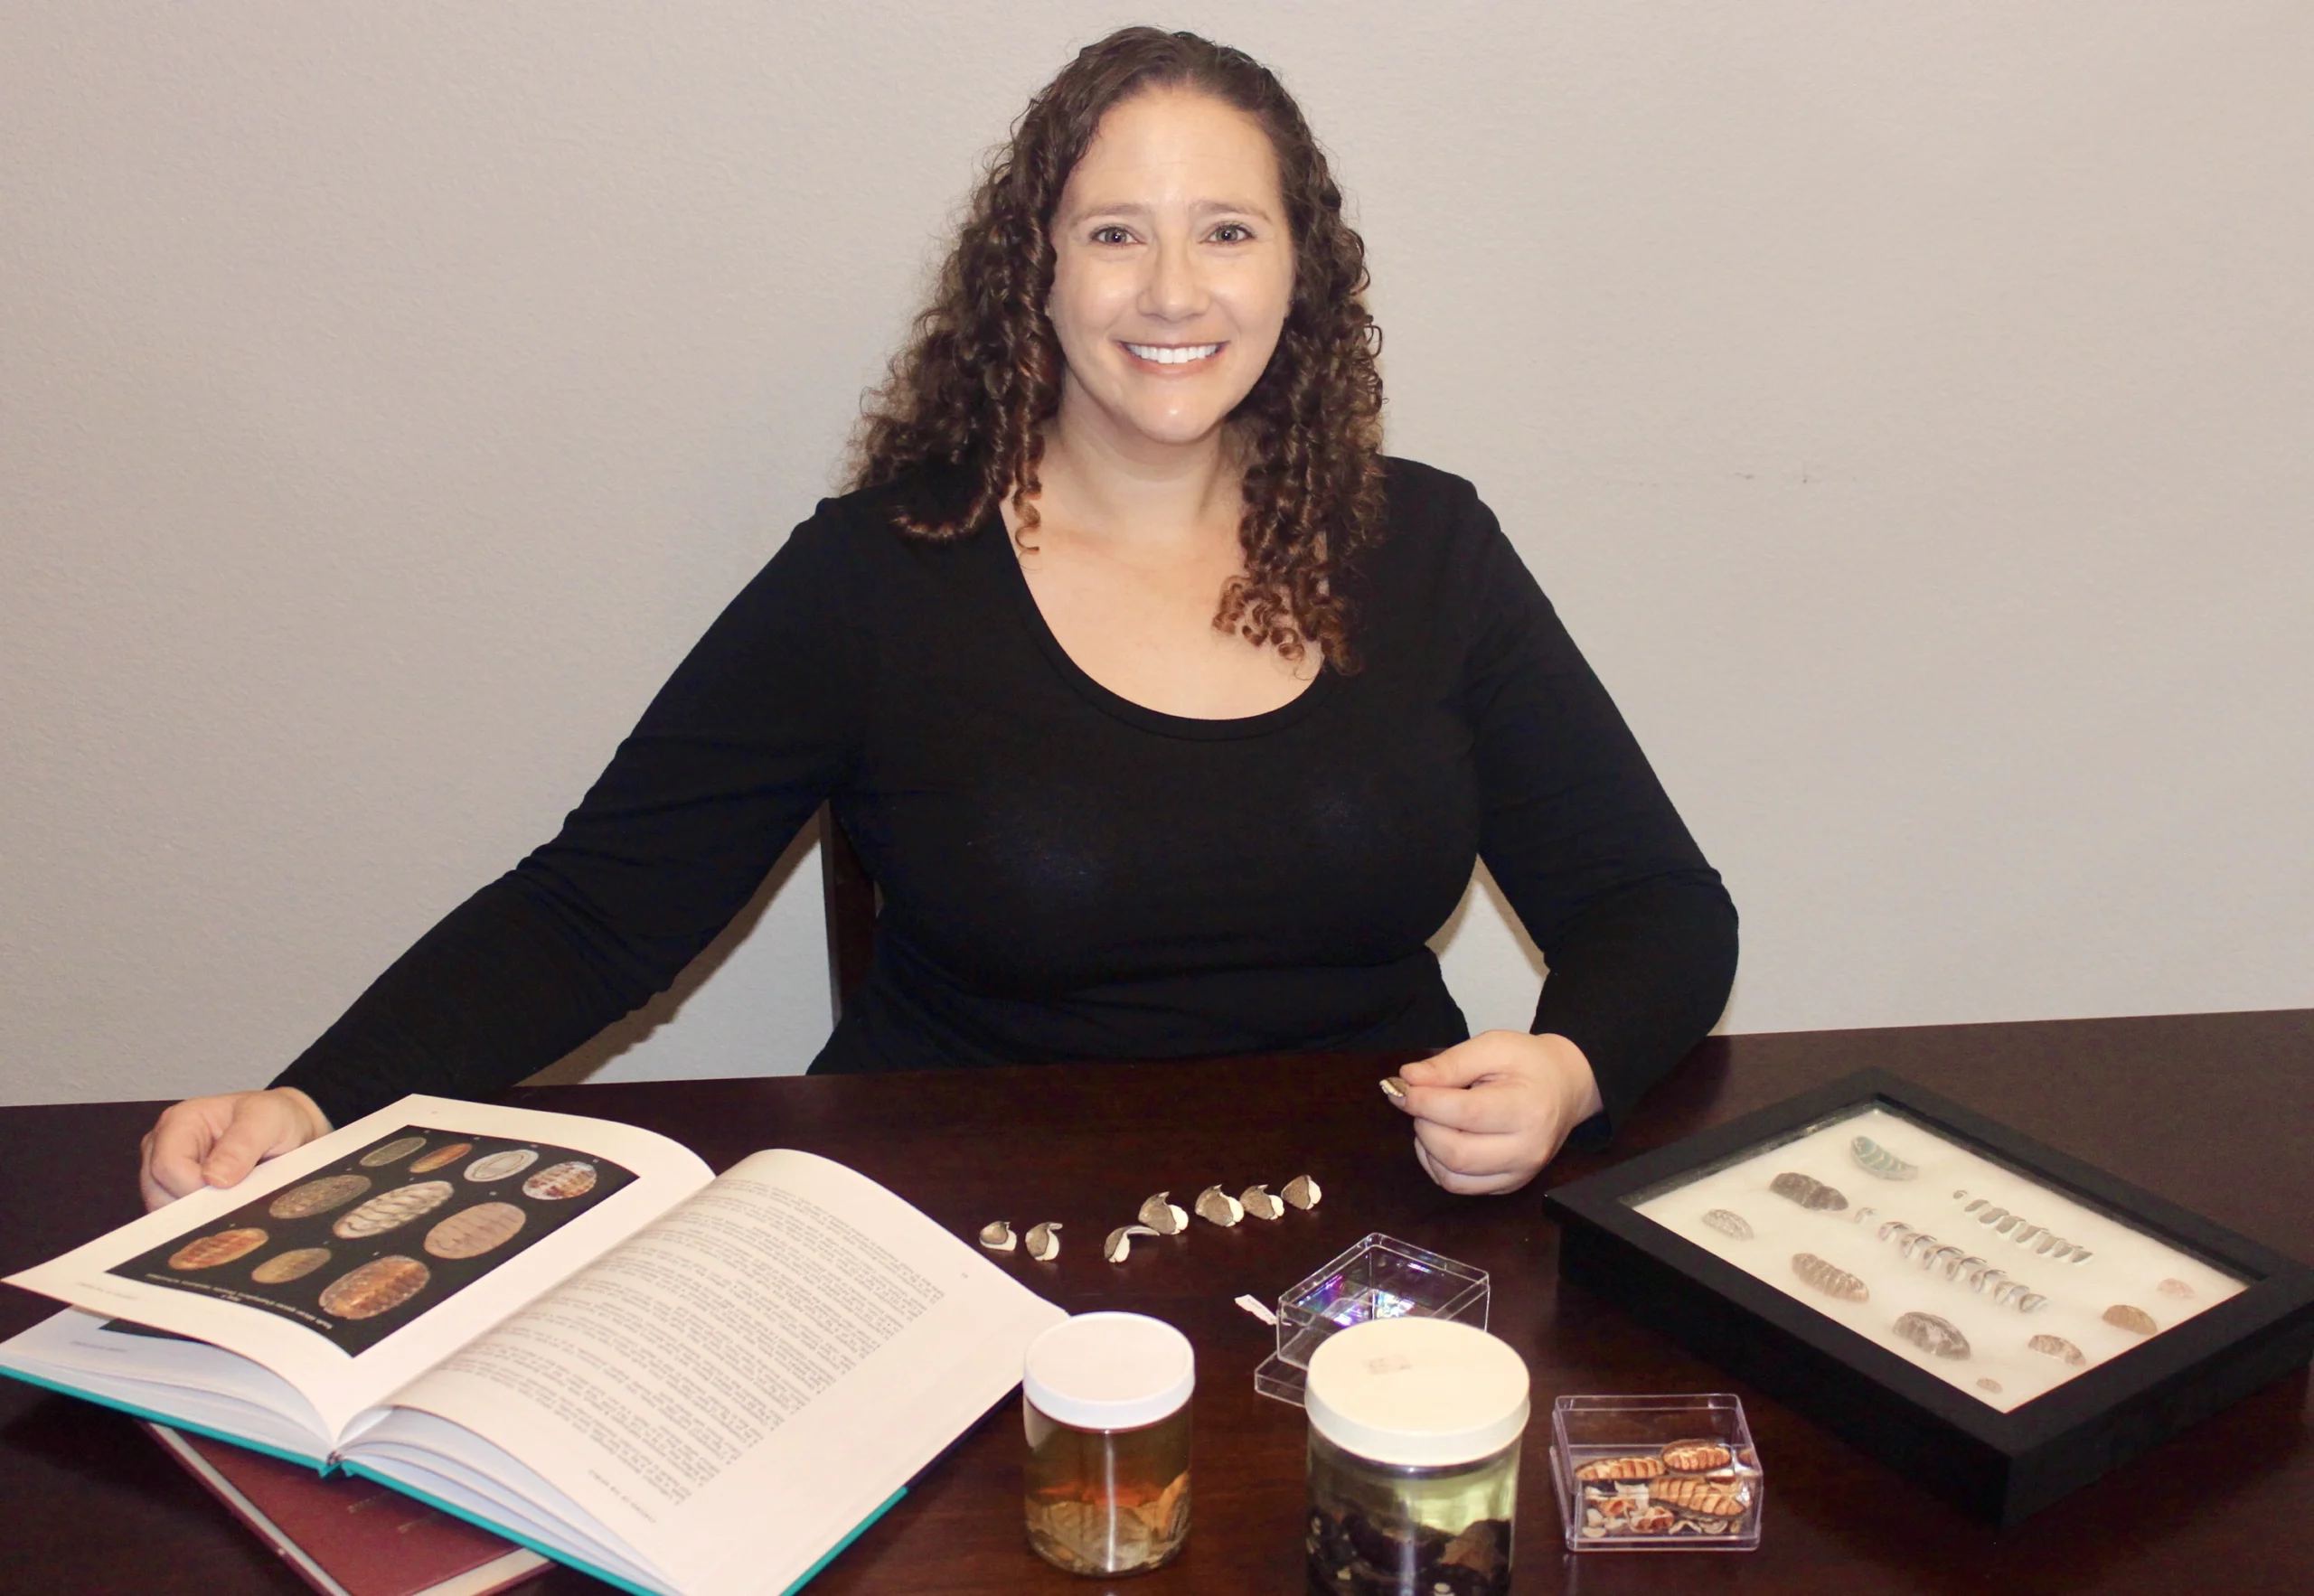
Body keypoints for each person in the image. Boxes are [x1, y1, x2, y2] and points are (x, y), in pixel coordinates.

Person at [138, 27, 1737, 1212]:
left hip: (1359, 1220)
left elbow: (1657, 904)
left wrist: (1567, 1068)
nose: (1173, 291)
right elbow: (596, 911)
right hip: (943, 1238)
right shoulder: (877, 576)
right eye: (1114, 233)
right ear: (1032, 275)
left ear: (1299, 275)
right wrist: (315, 1098)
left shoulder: (1428, 544)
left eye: (1227, 232)